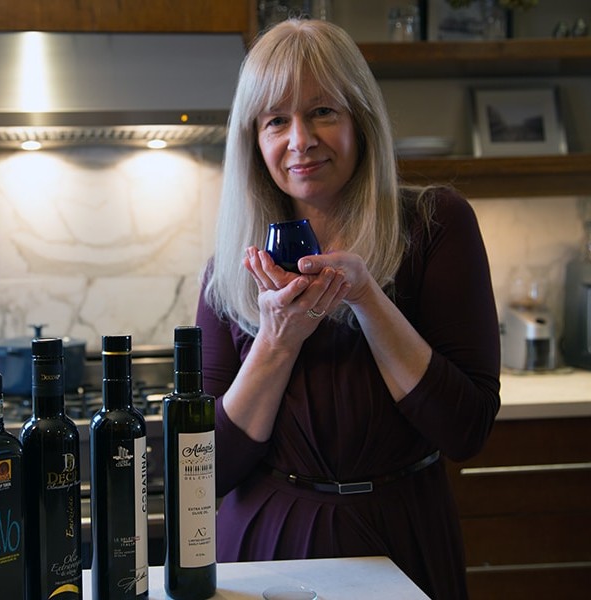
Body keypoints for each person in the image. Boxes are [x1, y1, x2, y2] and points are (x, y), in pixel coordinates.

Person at [196, 18, 500, 600]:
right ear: (254, 141)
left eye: (322, 112)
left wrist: (365, 297)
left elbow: (466, 430)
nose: (300, 139)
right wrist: (277, 340)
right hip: (265, 549)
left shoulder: (435, 224)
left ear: (360, 120)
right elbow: (205, 472)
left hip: (403, 538)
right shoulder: (230, 268)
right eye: (276, 120)